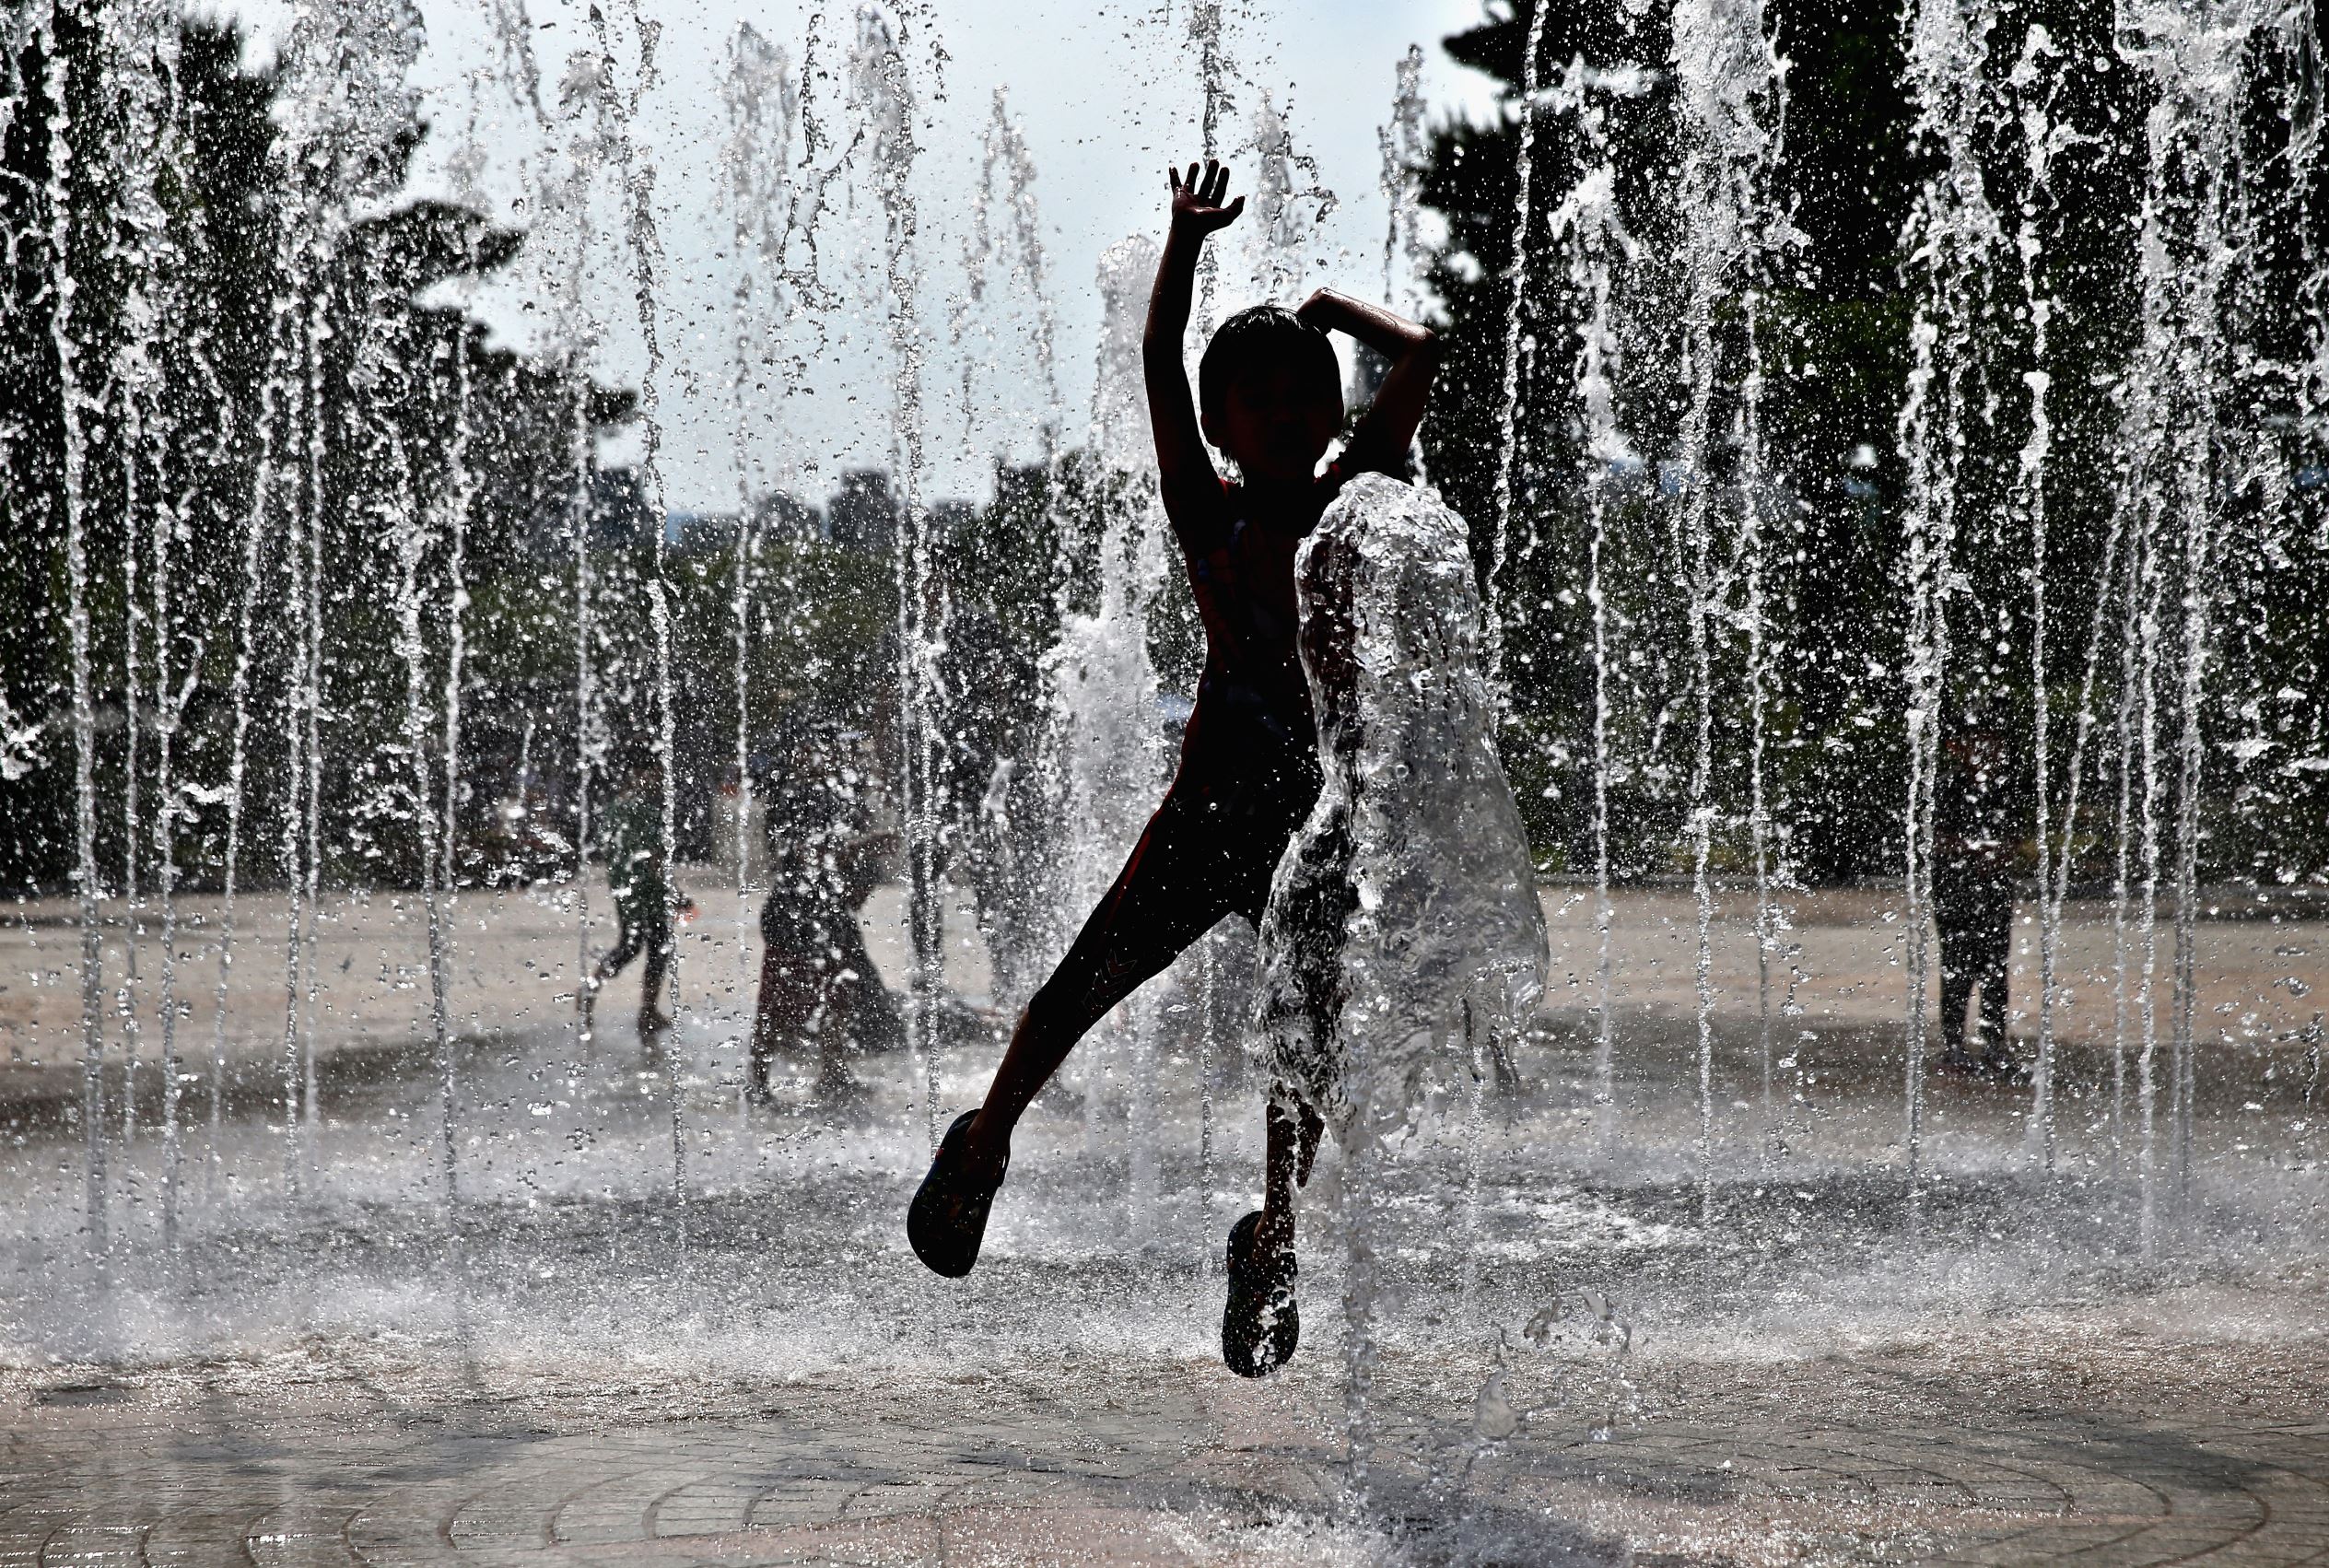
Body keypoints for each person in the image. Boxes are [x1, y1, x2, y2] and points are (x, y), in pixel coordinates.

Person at [907, 158, 1440, 1377]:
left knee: (1300, 1043)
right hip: (1207, 814)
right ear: (1220, 428)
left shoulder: (1361, 493)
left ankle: (1274, 1235)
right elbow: (1159, 364)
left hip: (1315, 830)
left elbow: (1419, 358)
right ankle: (987, 1138)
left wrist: (1329, 313)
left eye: (1301, 394)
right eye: (1251, 400)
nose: (1281, 413)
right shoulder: (1213, 517)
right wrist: (1186, 248)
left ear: (1328, 410)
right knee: (1083, 979)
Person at [749, 720, 905, 1102]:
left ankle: (834, 1071)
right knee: (778, 999)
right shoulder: (791, 798)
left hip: (828, 910)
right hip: (792, 913)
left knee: (841, 990)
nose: (828, 757)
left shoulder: (834, 796)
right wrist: (865, 846)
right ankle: (758, 1081)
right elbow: (805, 855)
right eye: (817, 749)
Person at [1933, 722, 2019, 1080]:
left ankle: (1994, 1041)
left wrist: (1994, 855)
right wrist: (1977, 853)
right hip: (1954, 889)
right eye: (1979, 742)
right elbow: (1937, 839)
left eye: (1993, 742)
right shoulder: (1947, 786)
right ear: (1957, 747)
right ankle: (1953, 1043)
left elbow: (2014, 841)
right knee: (1957, 966)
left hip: (1995, 889)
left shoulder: (2004, 788)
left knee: (1995, 967)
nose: (1988, 751)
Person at [582, 755, 688, 1041]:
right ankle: (635, 1007)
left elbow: (611, 849)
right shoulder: (647, 810)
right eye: (653, 773)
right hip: (649, 890)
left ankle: (631, 1006)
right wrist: (677, 895)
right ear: (638, 773)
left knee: (641, 946)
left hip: (626, 888)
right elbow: (656, 858)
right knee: (648, 948)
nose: (657, 780)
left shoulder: (615, 808)